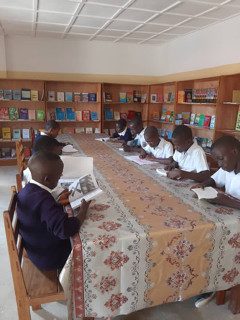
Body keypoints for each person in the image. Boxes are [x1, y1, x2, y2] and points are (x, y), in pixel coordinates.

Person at [17, 151, 90, 271]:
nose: (61, 176)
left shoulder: (28, 190)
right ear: (47, 179)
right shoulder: (43, 199)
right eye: (59, 175)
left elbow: (40, 212)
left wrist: (56, 202)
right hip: (50, 258)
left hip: (37, 250)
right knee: (89, 251)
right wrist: (83, 211)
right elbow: (65, 230)